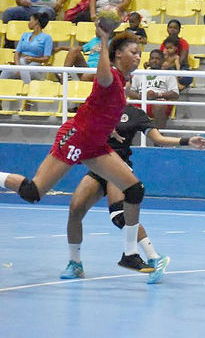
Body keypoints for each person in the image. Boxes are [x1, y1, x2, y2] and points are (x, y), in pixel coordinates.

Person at [0, 27, 155, 274]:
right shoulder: (111, 77)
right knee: (33, 192)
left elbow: (104, 111)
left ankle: (130, 254)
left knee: (135, 189)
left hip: (95, 144)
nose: (138, 56)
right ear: (117, 55)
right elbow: (102, 76)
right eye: (133, 52)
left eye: (140, 53)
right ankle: (75, 261)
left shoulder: (121, 81)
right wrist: (104, 39)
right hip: (75, 139)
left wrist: (111, 131)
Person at [60, 104, 205, 283]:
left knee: (119, 215)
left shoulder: (134, 113)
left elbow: (158, 138)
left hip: (118, 167)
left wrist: (186, 141)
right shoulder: (94, 106)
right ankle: (75, 263)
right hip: (97, 167)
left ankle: (155, 257)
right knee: (75, 209)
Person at [126, 50, 180, 129]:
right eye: (152, 58)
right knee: (122, 105)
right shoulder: (140, 74)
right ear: (149, 60)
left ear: (163, 61)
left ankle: (159, 138)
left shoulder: (168, 75)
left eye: (157, 59)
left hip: (160, 101)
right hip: (141, 100)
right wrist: (141, 96)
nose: (154, 61)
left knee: (159, 106)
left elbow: (175, 94)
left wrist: (157, 95)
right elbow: (129, 92)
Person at [0, 13, 52, 84]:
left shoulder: (47, 38)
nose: (29, 23)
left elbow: (46, 58)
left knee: (24, 70)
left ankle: (27, 89)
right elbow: (17, 53)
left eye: (31, 20)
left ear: (36, 21)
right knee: (7, 70)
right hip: (21, 62)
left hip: (36, 65)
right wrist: (18, 67)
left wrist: (33, 59)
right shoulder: (25, 35)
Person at [160, 20, 193, 91]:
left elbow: (182, 60)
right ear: (167, 29)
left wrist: (169, 66)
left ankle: (174, 86)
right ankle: (177, 86)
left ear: (179, 30)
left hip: (181, 68)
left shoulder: (183, 42)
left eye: (175, 28)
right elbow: (161, 57)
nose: (172, 29)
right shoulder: (164, 43)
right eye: (170, 27)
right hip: (167, 68)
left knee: (188, 77)